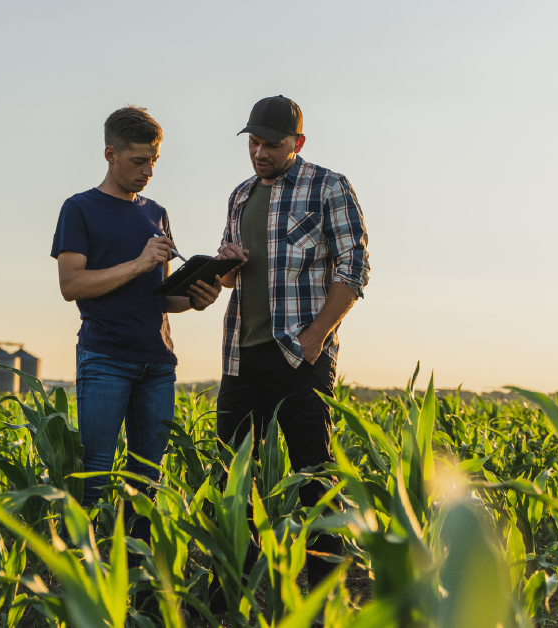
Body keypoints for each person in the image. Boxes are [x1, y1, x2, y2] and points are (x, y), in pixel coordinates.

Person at [215, 95, 370, 588]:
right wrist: (225, 265)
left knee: (313, 475)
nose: (260, 153)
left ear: (297, 143)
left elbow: (355, 266)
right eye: (253, 143)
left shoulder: (329, 186)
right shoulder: (240, 195)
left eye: (271, 145)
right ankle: (236, 589)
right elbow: (227, 282)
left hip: (300, 355)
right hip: (242, 354)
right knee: (231, 476)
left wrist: (314, 338)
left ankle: (325, 592)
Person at [51, 105, 223, 543]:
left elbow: (160, 297)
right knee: (95, 477)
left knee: (147, 480)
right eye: (138, 161)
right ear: (110, 154)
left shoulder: (157, 213)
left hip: (158, 364)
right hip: (105, 358)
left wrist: (197, 298)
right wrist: (140, 261)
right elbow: (71, 285)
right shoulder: (80, 209)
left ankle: (138, 579)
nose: (148, 171)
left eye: (155, 161)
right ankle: (83, 578)